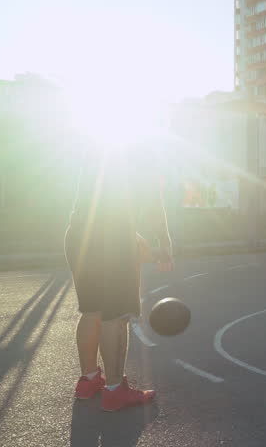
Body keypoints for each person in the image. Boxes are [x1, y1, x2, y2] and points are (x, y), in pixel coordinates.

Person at [65, 142, 173, 412]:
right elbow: (153, 202)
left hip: (80, 234)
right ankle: (115, 390)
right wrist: (165, 244)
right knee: (117, 315)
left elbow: (101, 206)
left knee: (91, 310)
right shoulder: (140, 149)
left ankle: (89, 381)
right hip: (114, 241)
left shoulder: (95, 149)